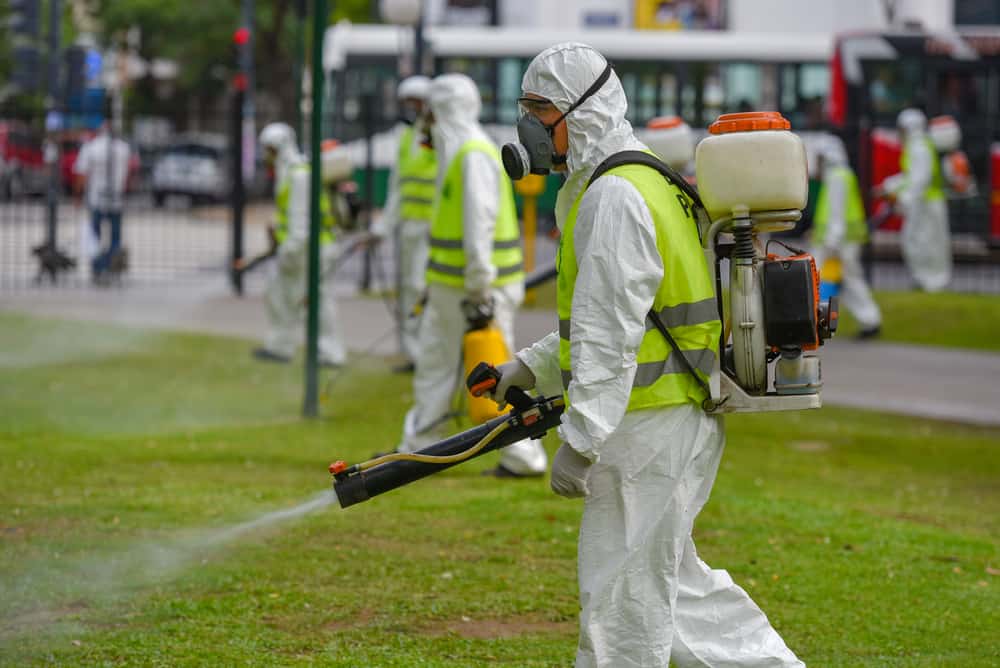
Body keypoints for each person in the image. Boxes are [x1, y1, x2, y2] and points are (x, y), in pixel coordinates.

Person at [492, 43, 803, 666]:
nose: (527, 125)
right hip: (674, 417)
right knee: (677, 593)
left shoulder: (613, 197)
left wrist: (581, 440)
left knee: (621, 603)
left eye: (539, 109)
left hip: (648, 429)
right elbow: (625, 319)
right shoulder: (644, 178)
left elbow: (611, 335)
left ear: (581, 112)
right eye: (524, 107)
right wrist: (529, 366)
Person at [396, 73, 547, 478]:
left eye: (429, 110)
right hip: (455, 288)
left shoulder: (472, 155)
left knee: (495, 374)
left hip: (479, 289)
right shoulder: (460, 152)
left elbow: (479, 224)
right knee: (437, 365)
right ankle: (420, 450)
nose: (424, 120)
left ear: (441, 110)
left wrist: (480, 286)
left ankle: (523, 458)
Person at [251, 122, 346, 367]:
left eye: (268, 149)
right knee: (279, 294)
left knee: (316, 301)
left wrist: (288, 253)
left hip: (311, 249)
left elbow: (301, 224)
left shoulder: (299, 175)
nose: (265, 155)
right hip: (299, 249)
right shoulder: (289, 172)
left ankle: (329, 353)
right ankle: (280, 346)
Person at [372, 76, 438, 373]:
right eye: (408, 104)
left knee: (422, 289)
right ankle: (415, 354)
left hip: (433, 230)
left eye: (417, 104)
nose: (412, 110)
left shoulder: (440, 138)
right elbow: (397, 187)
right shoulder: (406, 139)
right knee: (409, 291)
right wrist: (382, 229)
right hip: (409, 229)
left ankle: (427, 354)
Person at [812, 136, 882, 339]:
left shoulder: (836, 177)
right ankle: (868, 321)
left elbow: (836, 212)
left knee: (831, 280)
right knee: (845, 282)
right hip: (841, 240)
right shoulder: (842, 175)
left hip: (837, 242)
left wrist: (832, 241)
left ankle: (824, 324)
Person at [881, 108, 951, 292]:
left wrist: (904, 198)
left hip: (926, 204)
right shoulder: (917, 145)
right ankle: (926, 281)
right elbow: (910, 176)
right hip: (924, 202)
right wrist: (889, 186)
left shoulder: (918, 147)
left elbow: (920, 179)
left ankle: (933, 283)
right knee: (920, 241)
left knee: (926, 243)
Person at [73, 123, 131, 284]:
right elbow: (127, 174)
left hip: (96, 197)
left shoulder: (91, 148)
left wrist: (77, 197)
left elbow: (81, 174)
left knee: (95, 236)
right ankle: (112, 265)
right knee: (115, 237)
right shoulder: (124, 149)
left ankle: (99, 268)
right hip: (116, 198)